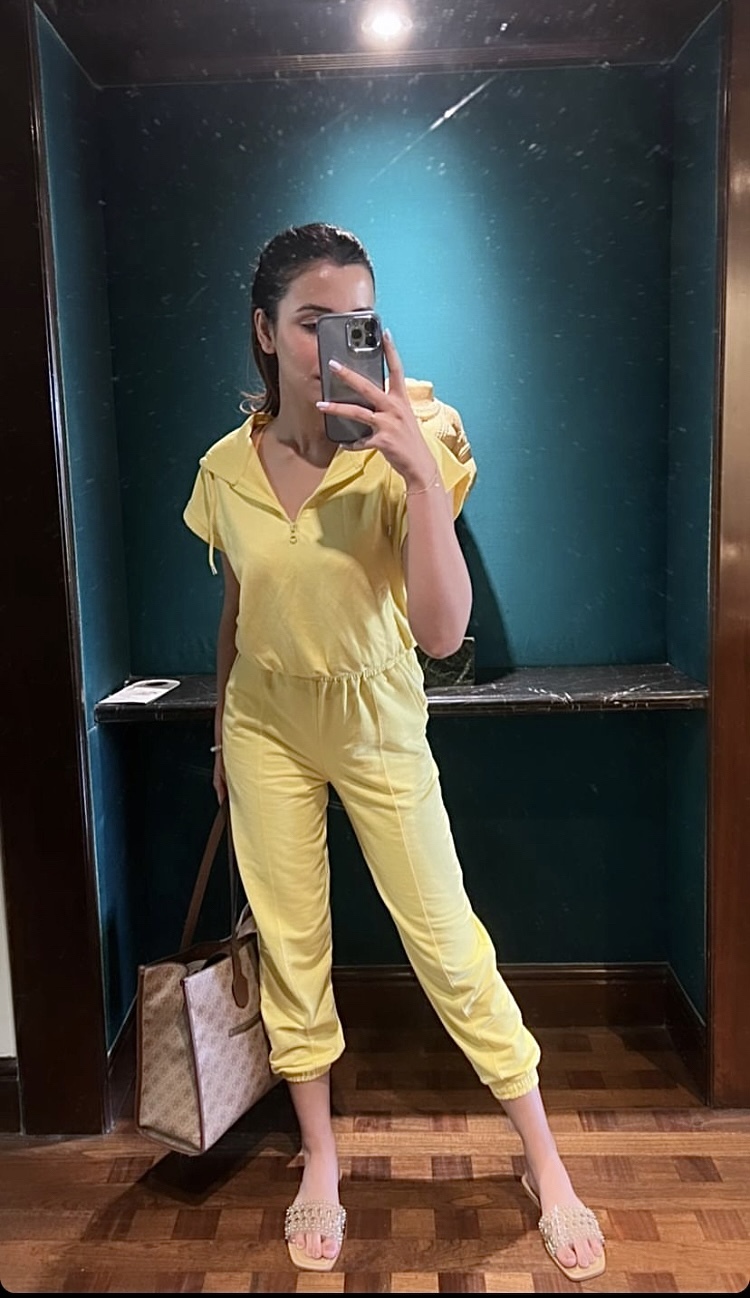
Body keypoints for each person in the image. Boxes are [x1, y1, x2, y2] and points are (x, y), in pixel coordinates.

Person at [183, 222, 606, 1282]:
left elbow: (444, 631)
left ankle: (546, 1161)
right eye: (311, 321)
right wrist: (222, 732)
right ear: (265, 332)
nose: (336, 342)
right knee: (294, 946)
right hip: (266, 722)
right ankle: (320, 1158)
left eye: (357, 321)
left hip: (376, 715)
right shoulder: (225, 468)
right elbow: (235, 609)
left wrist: (418, 474)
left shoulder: (420, 436)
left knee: (448, 942)